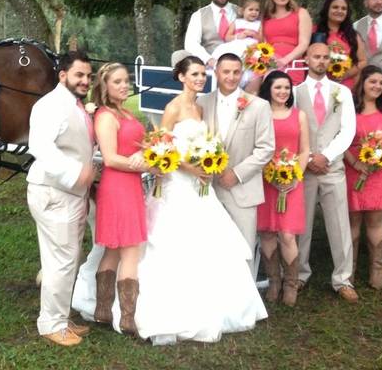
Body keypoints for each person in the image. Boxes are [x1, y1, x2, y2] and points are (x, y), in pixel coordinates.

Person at [130, 55, 267, 344]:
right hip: (178, 184)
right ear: (181, 77)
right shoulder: (173, 108)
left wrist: (209, 166)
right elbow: (163, 150)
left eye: (202, 75)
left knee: (207, 240)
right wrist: (194, 169)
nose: (199, 79)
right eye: (194, 74)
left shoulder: (200, 107)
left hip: (200, 185)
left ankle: (217, 304)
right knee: (176, 242)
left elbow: (204, 145)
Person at [26, 50, 97, 346]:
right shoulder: (51, 105)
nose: (85, 81)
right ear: (63, 75)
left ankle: (61, 317)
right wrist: (76, 174)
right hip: (55, 192)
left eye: (88, 76)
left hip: (69, 194)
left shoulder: (74, 104)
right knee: (61, 261)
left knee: (67, 257)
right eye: (79, 75)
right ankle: (51, 323)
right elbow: (41, 147)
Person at [82, 63, 150, 335]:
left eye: (126, 81)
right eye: (117, 82)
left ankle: (102, 311)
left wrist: (152, 152)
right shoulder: (106, 116)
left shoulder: (125, 112)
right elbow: (110, 158)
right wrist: (146, 166)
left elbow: (137, 147)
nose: (124, 85)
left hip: (130, 185)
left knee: (113, 248)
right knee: (130, 249)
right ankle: (127, 318)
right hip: (118, 186)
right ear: (105, 87)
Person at [293, 43, 359, 302]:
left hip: (332, 168)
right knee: (302, 223)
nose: (320, 61)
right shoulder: (295, 92)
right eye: (316, 56)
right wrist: (309, 158)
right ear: (306, 59)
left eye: (325, 57)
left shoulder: (342, 91)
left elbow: (348, 129)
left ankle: (343, 278)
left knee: (340, 224)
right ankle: (299, 273)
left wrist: (326, 156)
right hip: (304, 168)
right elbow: (291, 128)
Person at [197, 53, 277, 265]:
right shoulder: (202, 102)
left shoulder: (259, 105)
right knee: (211, 249)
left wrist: (237, 173)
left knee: (244, 250)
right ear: (216, 73)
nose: (231, 77)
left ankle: (245, 298)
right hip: (208, 188)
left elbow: (266, 148)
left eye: (236, 72)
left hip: (242, 189)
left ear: (242, 74)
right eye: (226, 72)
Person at [344, 66, 382, 290]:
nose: (377, 86)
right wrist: (357, 163)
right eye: (372, 82)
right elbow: (344, 142)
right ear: (362, 84)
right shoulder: (350, 110)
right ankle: (349, 270)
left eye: (380, 83)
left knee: (375, 222)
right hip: (354, 169)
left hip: (380, 172)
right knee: (353, 222)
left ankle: (376, 269)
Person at [255, 71, 309, 306]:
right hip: (266, 181)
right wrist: (271, 174)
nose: (283, 92)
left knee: (287, 234)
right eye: (278, 87)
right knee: (267, 232)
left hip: (292, 182)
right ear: (269, 89)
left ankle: (291, 283)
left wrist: (295, 175)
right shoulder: (260, 114)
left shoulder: (299, 116)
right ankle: (273, 281)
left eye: (287, 87)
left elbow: (305, 150)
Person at [261, 0, 312, 85]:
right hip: (270, 62)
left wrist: (284, 60)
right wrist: (272, 60)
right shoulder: (265, 18)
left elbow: (304, 43)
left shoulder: (301, 13)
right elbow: (262, 43)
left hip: (292, 62)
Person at [311, 0, 367, 89]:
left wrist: (345, 75)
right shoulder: (314, 31)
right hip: (319, 83)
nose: (339, 11)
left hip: (346, 85)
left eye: (343, 8)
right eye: (335, 7)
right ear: (327, 9)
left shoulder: (353, 35)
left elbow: (363, 61)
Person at [183, 0, 238, 67]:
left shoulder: (242, 13)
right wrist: (209, 60)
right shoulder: (198, 15)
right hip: (209, 66)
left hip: (238, 65)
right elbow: (191, 44)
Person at [216, 0, 264, 90]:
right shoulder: (237, 22)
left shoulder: (258, 24)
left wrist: (254, 35)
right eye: (251, 9)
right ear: (242, 11)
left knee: (251, 65)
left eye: (257, 10)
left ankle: (245, 82)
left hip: (252, 49)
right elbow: (227, 37)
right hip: (237, 46)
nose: (254, 12)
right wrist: (238, 36)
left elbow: (262, 40)